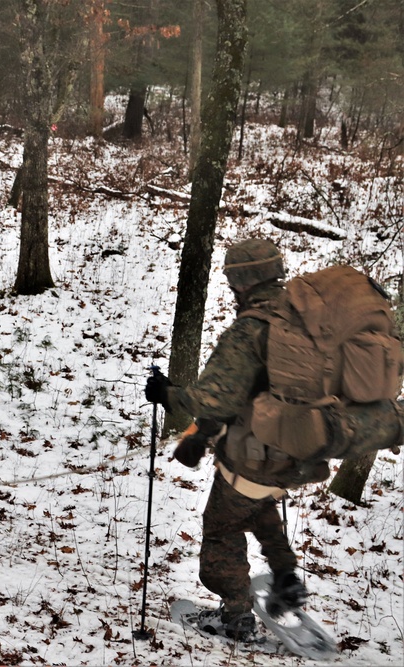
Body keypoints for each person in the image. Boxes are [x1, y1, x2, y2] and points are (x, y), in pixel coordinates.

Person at [144, 237, 404, 643]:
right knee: (256, 508)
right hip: (299, 451)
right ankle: (285, 578)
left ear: (240, 282)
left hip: (253, 456)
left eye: (232, 282)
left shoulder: (251, 329)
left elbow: (213, 397)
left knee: (220, 528)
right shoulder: (301, 320)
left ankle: (235, 617)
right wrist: (204, 434)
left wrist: (167, 393)